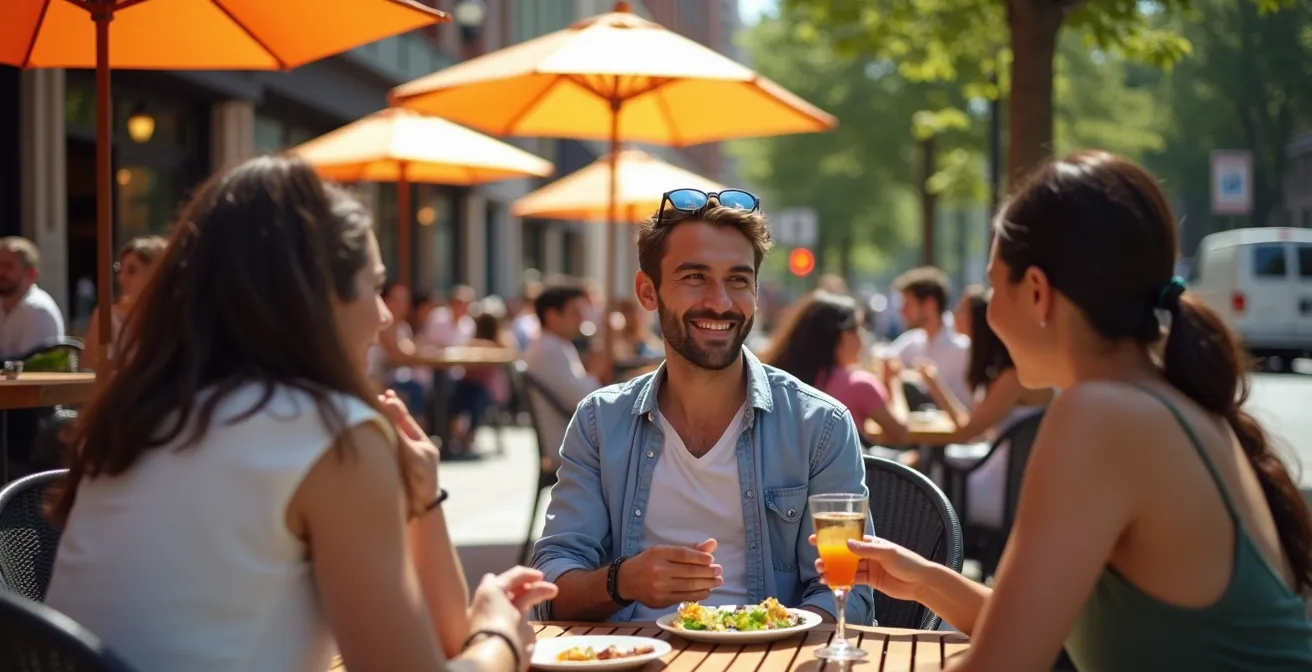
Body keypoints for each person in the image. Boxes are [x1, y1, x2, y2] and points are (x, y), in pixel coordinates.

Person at [44, 155, 554, 672]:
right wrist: (501, 637)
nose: (383, 317)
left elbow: (432, 646)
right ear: (315, 297)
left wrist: (422, 499)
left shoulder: (142, 410)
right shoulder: (328, 433)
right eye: (373, 287)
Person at [817, 151, 1312, 671]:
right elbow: (1048, 635)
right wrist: (925, 580)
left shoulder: (1099, 414)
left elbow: (1004, 664)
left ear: (1035, 292)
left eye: (992, 284)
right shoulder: (1162, 399)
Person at [532, 189, 874, 625]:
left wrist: (771, 640)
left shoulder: (820, 425)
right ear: (647, 291)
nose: (720, 302)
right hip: (633, 658)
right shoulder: (600, 421)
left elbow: (849, 590)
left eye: (737, 279)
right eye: (694, 277)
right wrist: (623, 581)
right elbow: (551, 584)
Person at [916, 287, 1051, 528]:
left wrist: (936, 386)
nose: (953, 314)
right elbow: (971, 426)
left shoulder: (1014, 377)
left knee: (925, 482)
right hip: (1001, 477)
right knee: (928, 469)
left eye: (960, 310)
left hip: (1007, 490)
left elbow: (968, 431)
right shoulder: (1000, 370)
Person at [761, 291, 908, 445]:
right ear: (844, 335)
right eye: (859, 329)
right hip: (842, 467)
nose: (863, 338)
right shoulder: (858, 384)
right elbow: (901, 433)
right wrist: (893, 381)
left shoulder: (776, 380)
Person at [522, 284, 610, 465]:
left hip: (571, 436)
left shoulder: (553, 345)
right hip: (571, 445)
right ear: (552, 316)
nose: (582, 319)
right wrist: (601, 361)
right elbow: (589, 401)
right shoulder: (551, 350)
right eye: (575, 313)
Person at [882, 266, 971, 409]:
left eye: (908, 304)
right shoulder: (913, 340)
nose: (902, 310)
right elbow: (883, 360)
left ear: (929, 305)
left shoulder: (963, 345)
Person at [83, 235, 167, 370]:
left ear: (155, 274)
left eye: (132, 271)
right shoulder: (106, 317)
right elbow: (88, 371)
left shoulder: (171, 317)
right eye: (120, 269)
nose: (121, 279)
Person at [0, 236, 64, 359]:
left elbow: (29, 366)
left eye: (9, 266)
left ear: (31, 274)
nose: (1, 272)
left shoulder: (39, 311)